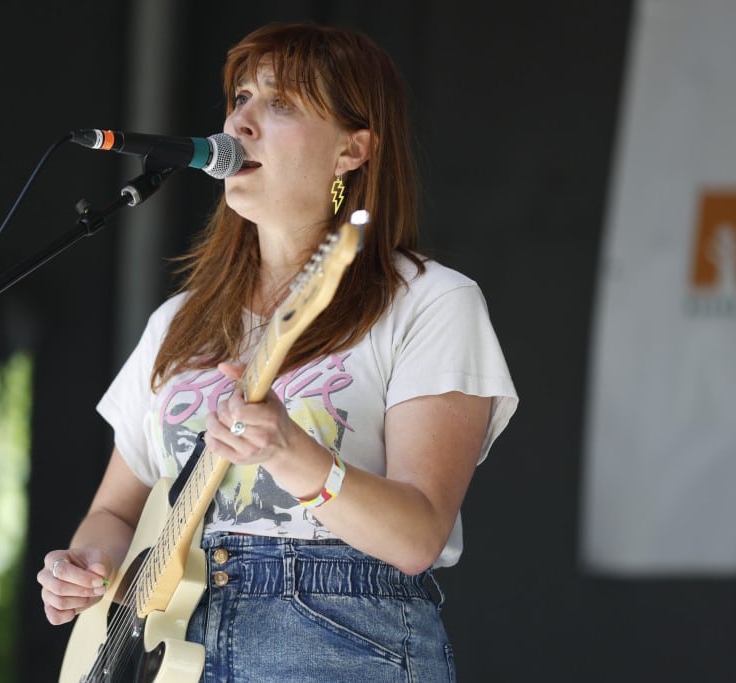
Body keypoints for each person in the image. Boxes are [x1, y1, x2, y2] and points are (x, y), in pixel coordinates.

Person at [38, 22, 517, 682]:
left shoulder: (430, 302)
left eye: (281, 103)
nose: (242, 122)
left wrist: (290, 452)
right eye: (239, 97)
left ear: (353, 149)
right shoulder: (180, 321)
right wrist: (85, 566)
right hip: (173, 649)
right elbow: (115, 511)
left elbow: (417, 536)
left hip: (340, 640)